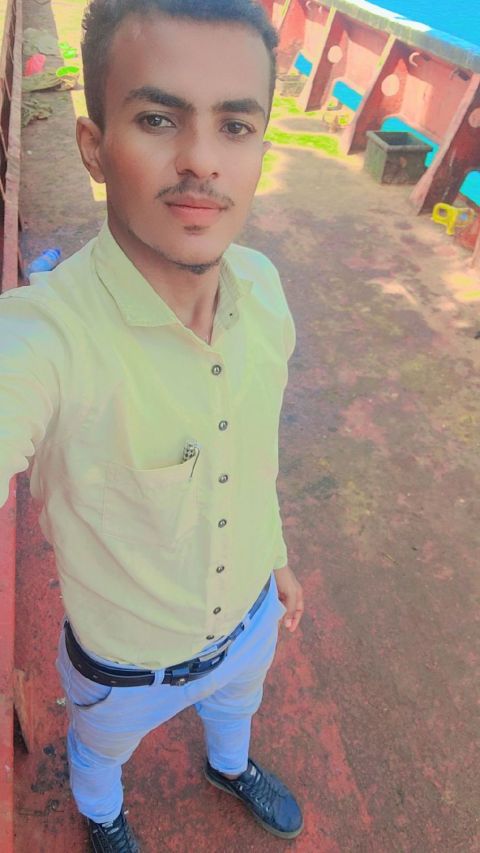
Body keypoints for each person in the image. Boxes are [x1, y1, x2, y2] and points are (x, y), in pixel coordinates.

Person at [0, 0, 304, 849]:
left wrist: (276, 557)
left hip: (251, 621)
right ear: (93, 148)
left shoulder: (266, 290)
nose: (202, 159)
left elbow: (256, 454)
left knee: (237, 713)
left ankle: (228, 765)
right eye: (160, 119)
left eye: (235, 125)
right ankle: (103, 818)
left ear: (259, 149)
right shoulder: (45, 340)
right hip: (123, 673)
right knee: (99, 758)